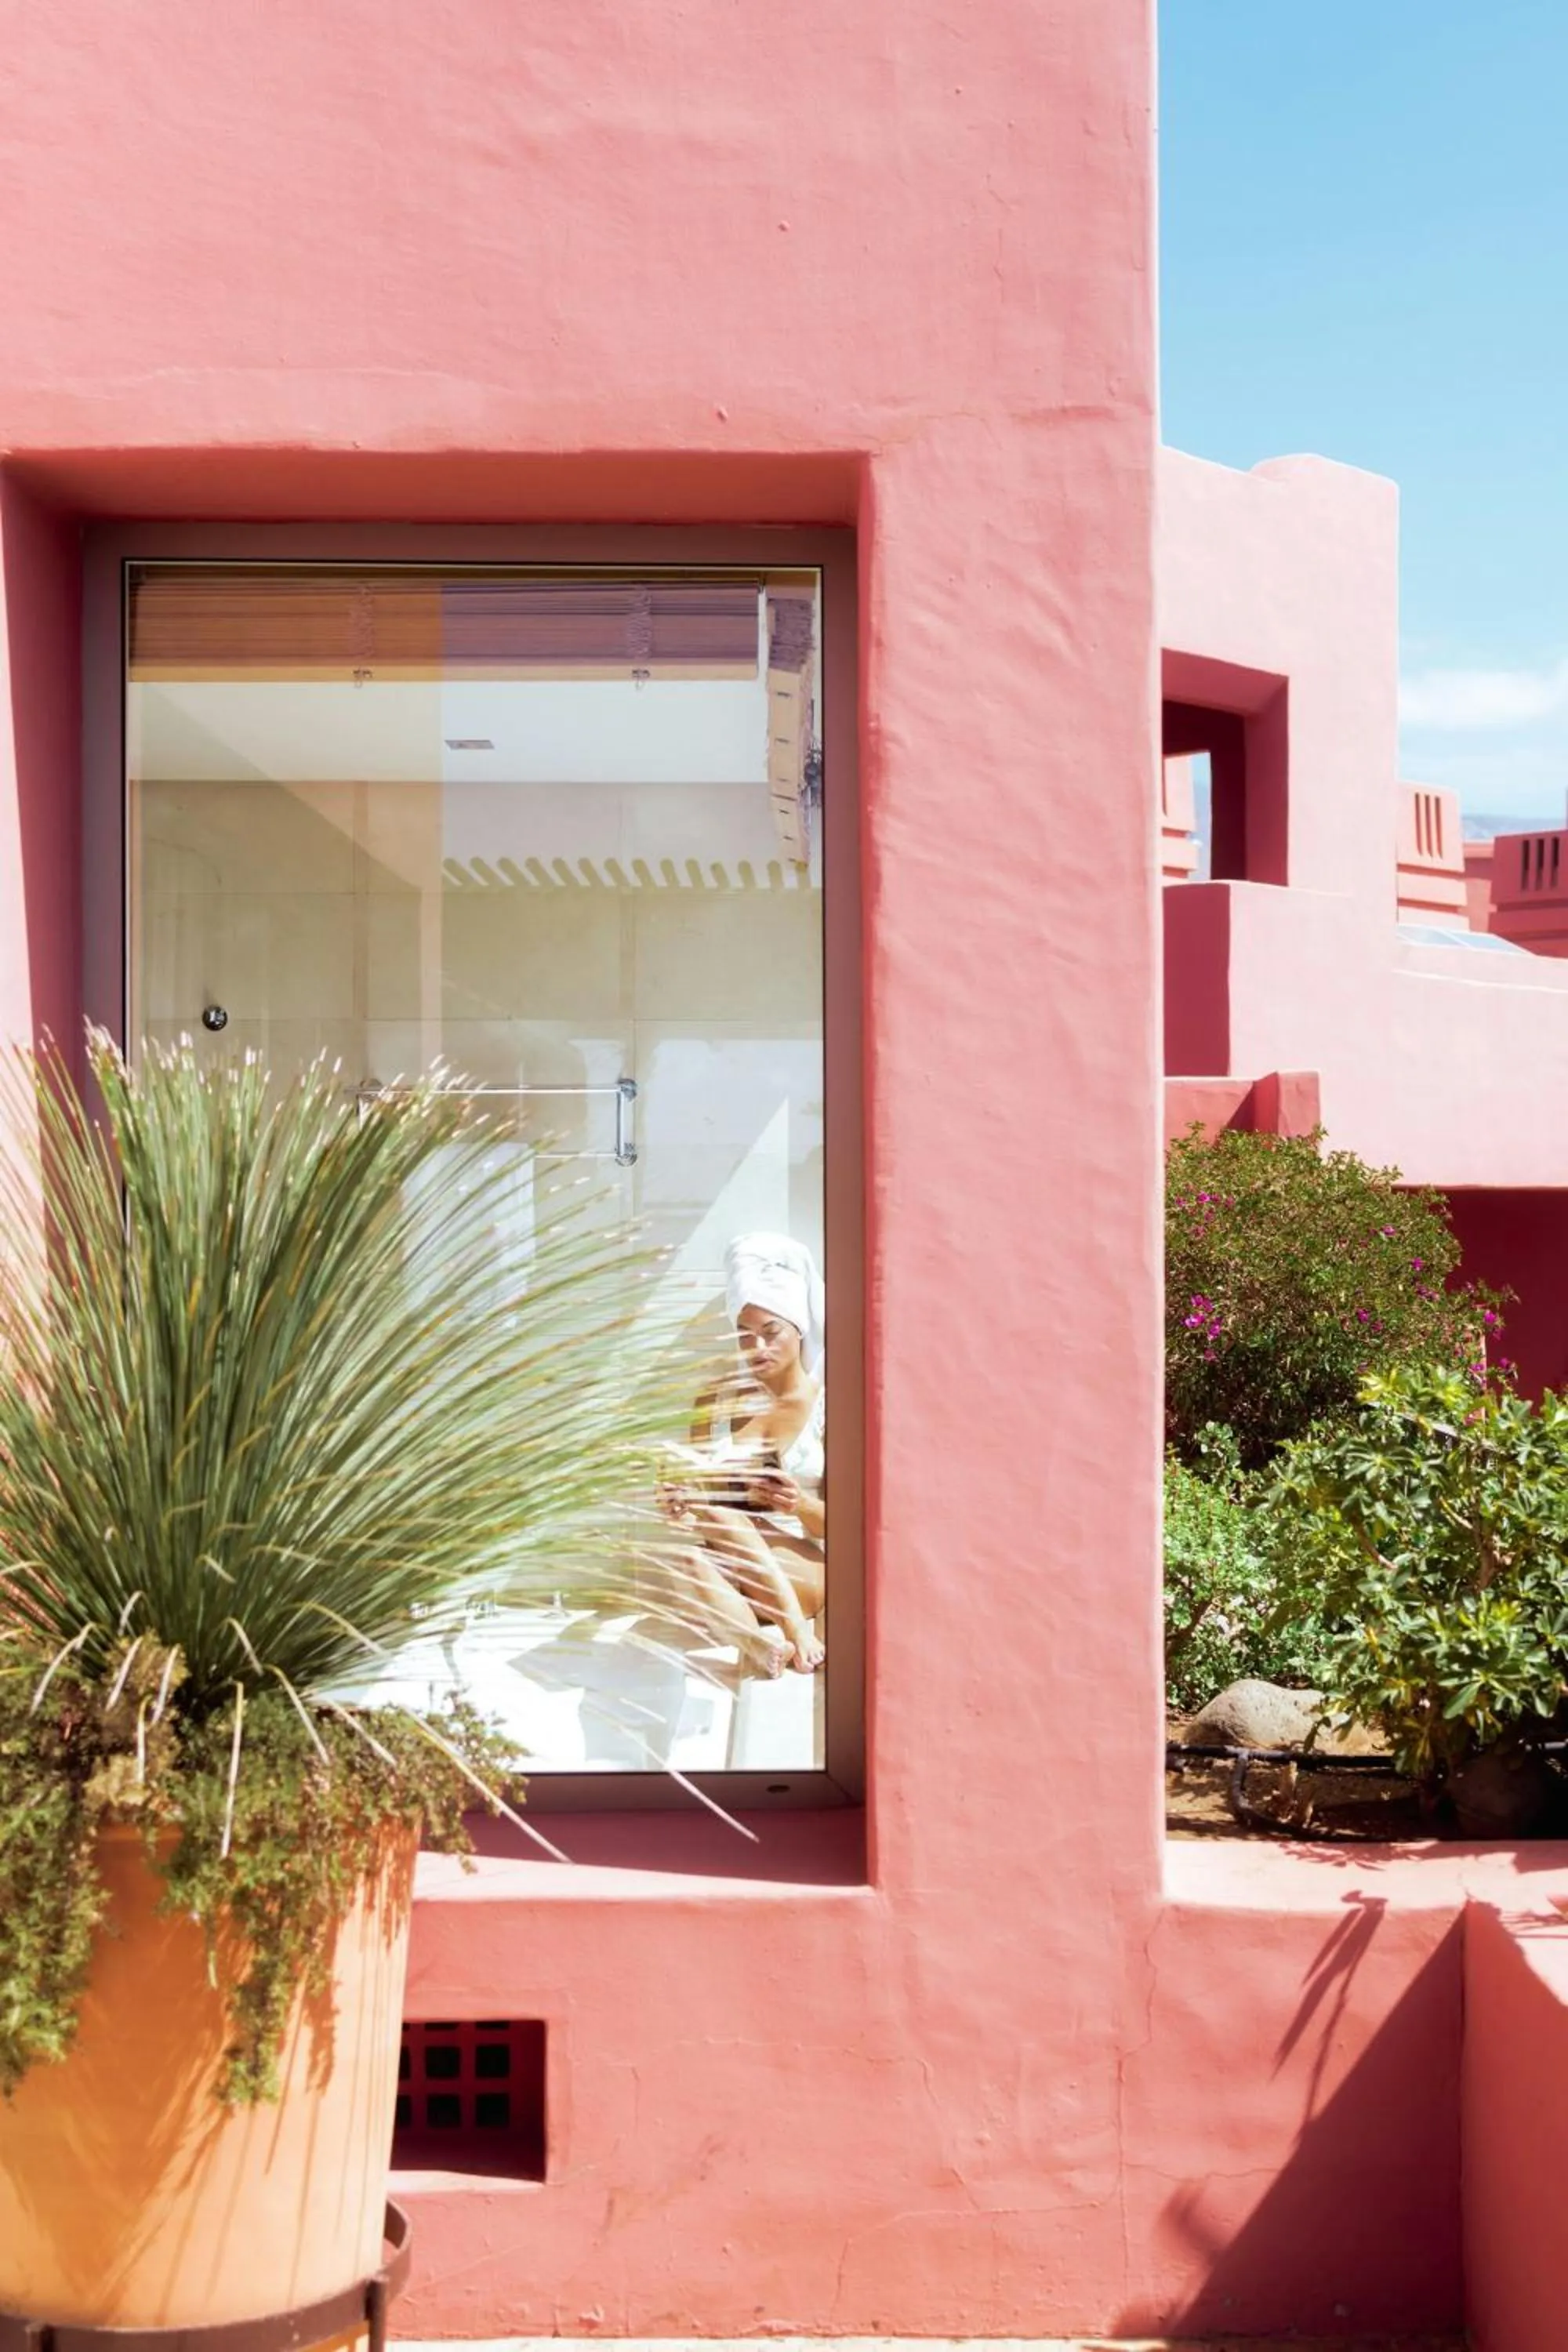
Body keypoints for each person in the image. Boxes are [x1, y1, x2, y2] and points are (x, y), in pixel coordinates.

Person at [659, 1233, 826, 1675]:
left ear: (799, 1329)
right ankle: (755, 1644)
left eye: (771, 1333)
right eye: (744, 1336)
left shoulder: (827, 1407)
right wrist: (677, 1504)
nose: (757, 1349)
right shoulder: (713, 1403)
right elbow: (696, 1507)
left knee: (724, 1515)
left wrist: (800, 1503)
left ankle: (796, 1631)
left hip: (803, 1568)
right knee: (686, 1556)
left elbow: (851, 1530)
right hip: (731, 1570)